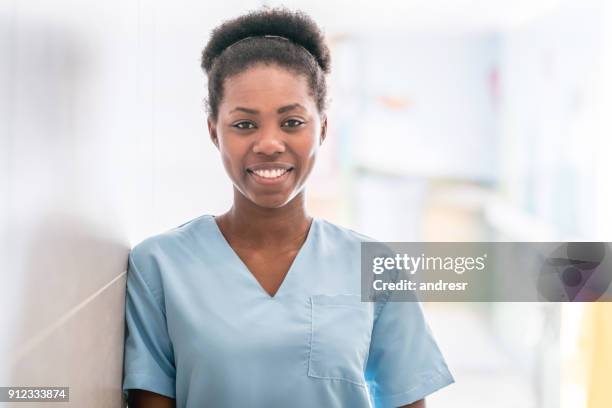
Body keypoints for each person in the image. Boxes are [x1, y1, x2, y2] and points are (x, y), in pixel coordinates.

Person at [122, 7, 454, 408]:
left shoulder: (377, 267)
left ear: (323, 128)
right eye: (244, 124)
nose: (269, 143)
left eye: (292, 122)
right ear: (214, 131)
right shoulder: (159, 265)